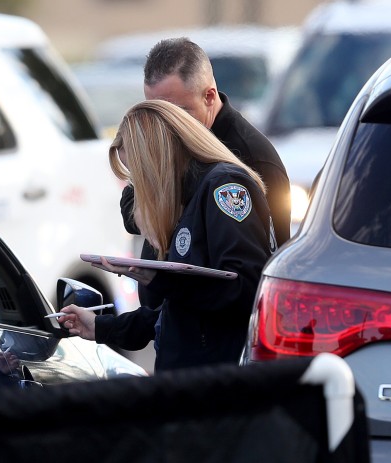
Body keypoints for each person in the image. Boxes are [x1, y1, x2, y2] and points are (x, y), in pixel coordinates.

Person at [58, 99, 275, 372]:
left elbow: (247, 292)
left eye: (139, 172)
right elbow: (176, 312)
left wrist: (162, 280)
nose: (136, 186)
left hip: (221, 385)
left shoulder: (225, 187)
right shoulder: (183, 200)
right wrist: (102, 326)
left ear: (158, 159)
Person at [122, 37, 290, 308]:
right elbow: (130, 208)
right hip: (170, 324)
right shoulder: (171, 143)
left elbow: (264, 270)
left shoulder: (251, 158)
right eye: (155, 112)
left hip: (213, 333)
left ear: (209, 96)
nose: (164, 125)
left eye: (176, 112)